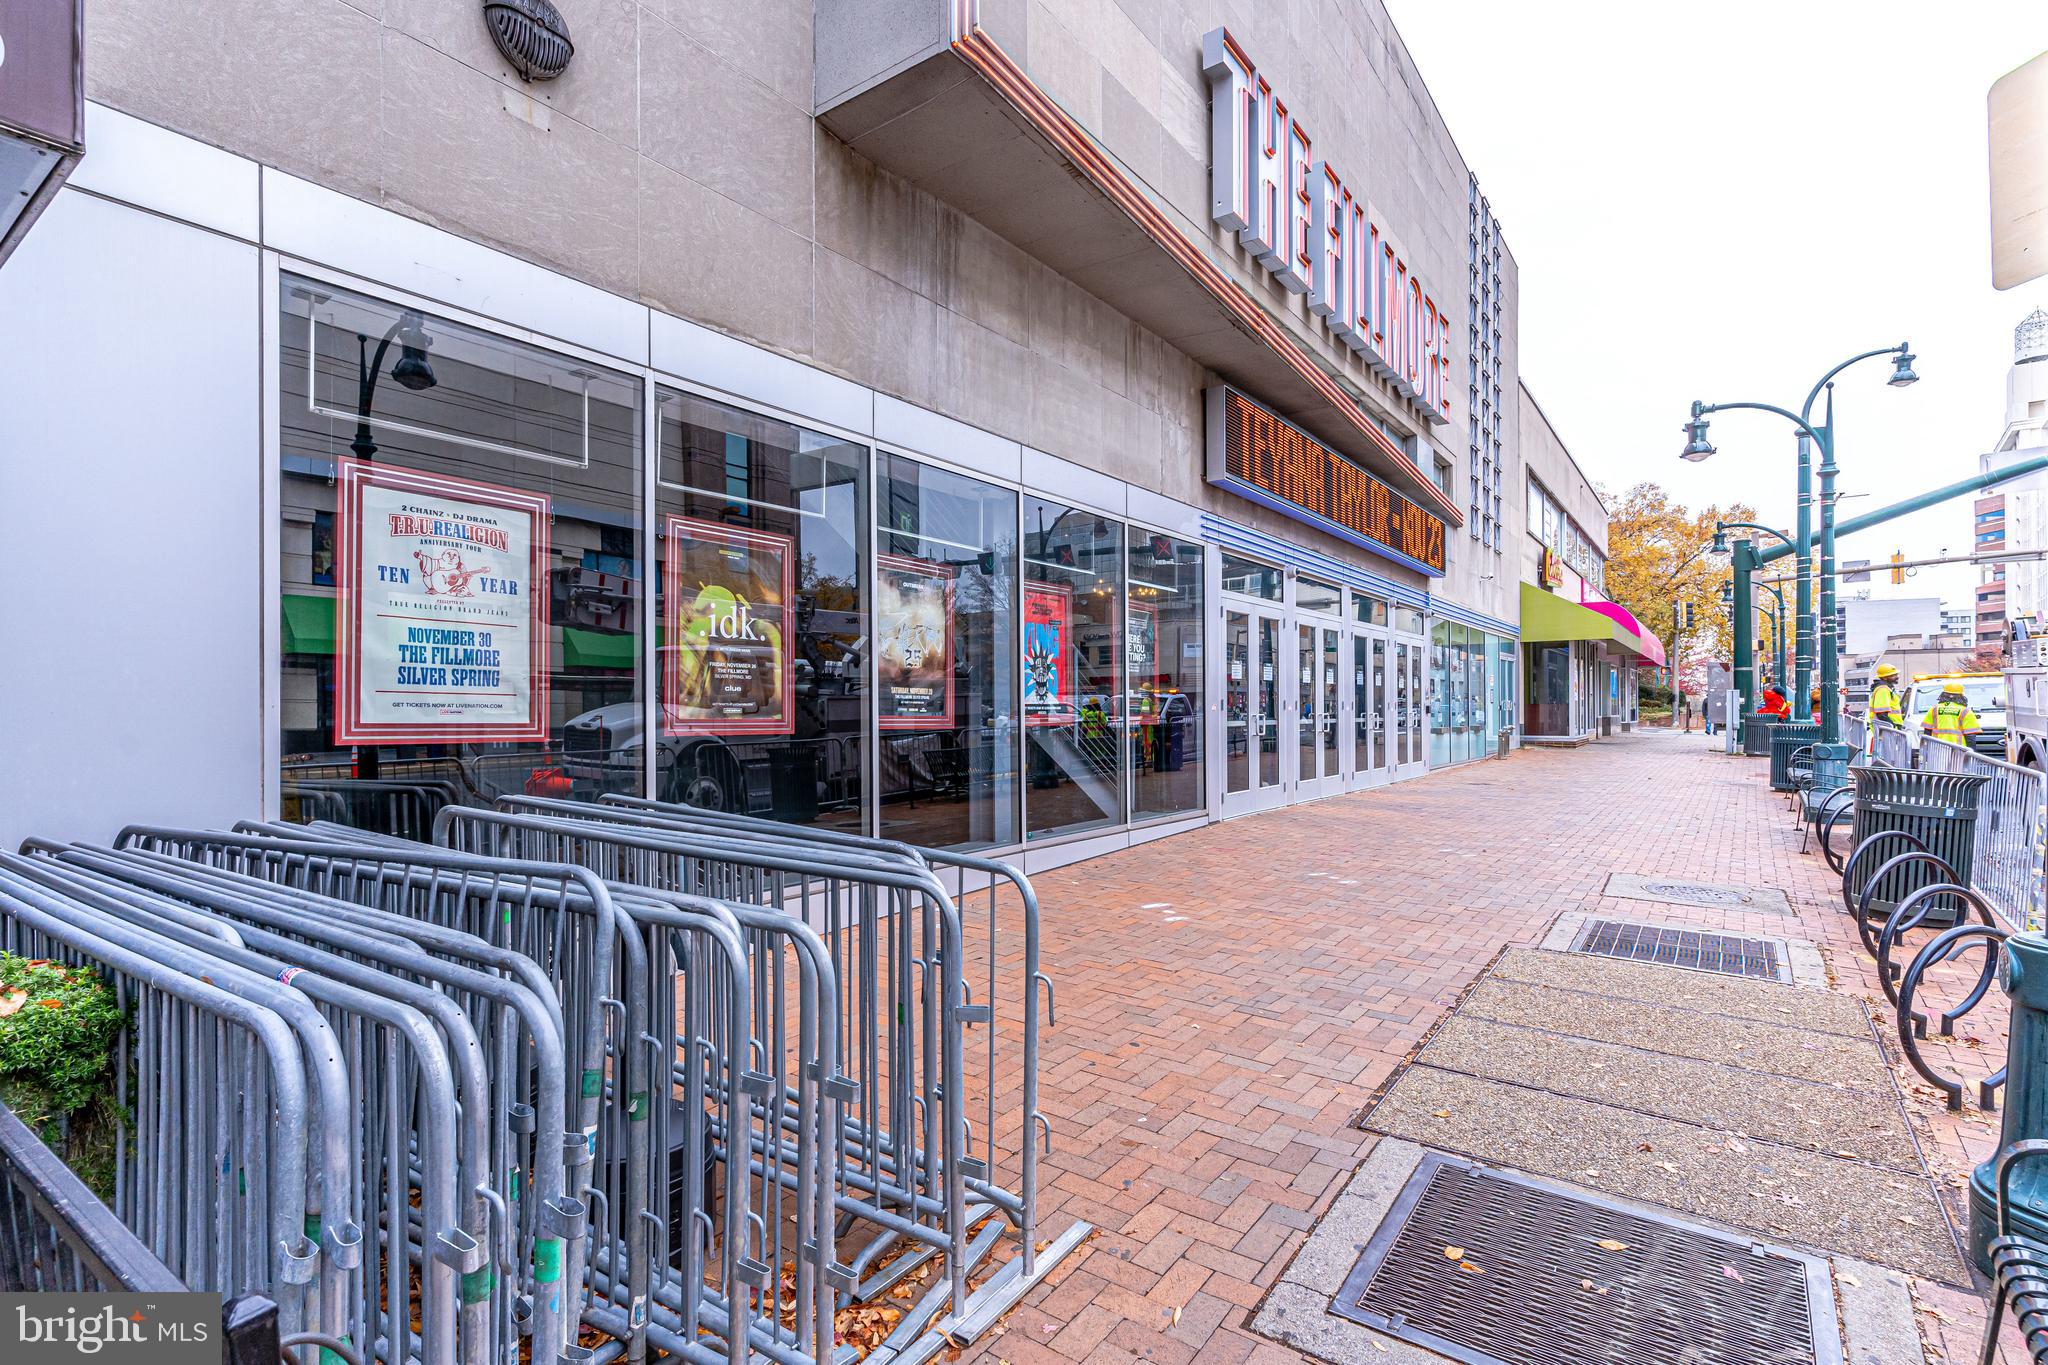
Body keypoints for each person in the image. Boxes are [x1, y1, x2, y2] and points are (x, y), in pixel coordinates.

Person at [1921, 678, 1982, 747]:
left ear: (1943, 694)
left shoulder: (1934, 709)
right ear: (1961, 696)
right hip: (1958, 751)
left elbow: (1927, 732)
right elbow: (1970, 737)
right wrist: (1971, 753)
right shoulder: (1965, 711)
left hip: (1936, 750)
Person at [1867, 663, 1904, 727]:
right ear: (1884, 678)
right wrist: (1892, 726)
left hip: (1886, 729)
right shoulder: (1883, 689)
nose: (1897, 677)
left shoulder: (1886, 688)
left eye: (1896, 674)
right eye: (1893, 675)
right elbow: (1881, 713)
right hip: (1886, 730)